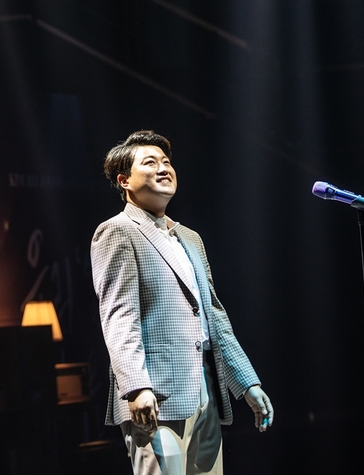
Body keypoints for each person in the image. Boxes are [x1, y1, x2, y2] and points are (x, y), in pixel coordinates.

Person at [91, 130, 273, 475]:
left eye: (166, 162)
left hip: (205, 386)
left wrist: (247, 382)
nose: (163, 168)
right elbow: (118, 316)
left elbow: (213, 315)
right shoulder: (117, 231)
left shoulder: (190, 238)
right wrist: (136, 387)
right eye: (150, 162)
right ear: (124, 180)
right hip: (155, 393)